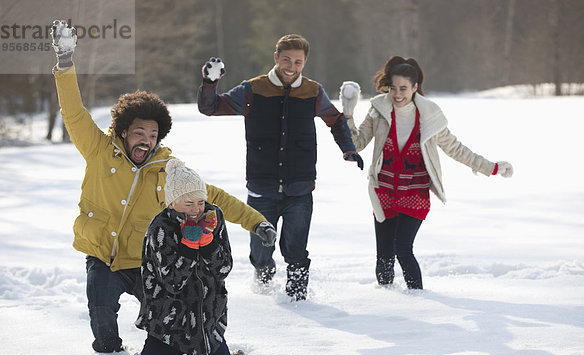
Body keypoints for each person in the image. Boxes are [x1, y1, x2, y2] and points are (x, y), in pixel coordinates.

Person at [49, 20, 277, 353]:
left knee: (167, 320)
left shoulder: (169, 170)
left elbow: (213, 197)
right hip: (102, 257)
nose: (146, 140)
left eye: (153, 135)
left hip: (146, 262)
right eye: (140, 132)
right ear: (124, 130)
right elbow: (73, 113)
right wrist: (65, 63)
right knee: (102, 326)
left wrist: (257, 222)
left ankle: (183, 350)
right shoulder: (99, 150)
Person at [197, 34, 364, 301]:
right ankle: (263, 286)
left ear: (304, 63)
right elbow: (211, 107)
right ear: (276, 58)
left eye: (298, 62)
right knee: (261, 253)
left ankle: (299, 300)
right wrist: (209, 82)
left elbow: (335, 120)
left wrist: (348, 149)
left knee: (296, 250)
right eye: (286, 59)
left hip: (300, 187)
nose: (291, 66)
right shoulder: (253, 89)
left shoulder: (312, 91)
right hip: (262, 188)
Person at [339, 56, 514, 290]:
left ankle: (418, 300)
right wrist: (348, 113)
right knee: (384, 255)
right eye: (393, 88)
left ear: (414, 87)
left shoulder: (429, 117)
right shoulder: (378, 110)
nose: (397, 94)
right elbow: (357, 143)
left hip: (415, 194)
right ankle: (383, 303)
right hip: (384, 192)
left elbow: (456, 149)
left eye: (403, 88)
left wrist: (490, 167)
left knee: (402, 248)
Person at [136, 159, 243, 355]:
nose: (196, 209)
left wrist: (209, 245)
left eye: (200, 202)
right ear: (171, 203)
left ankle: (225, 353)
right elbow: (172, 282)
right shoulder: (160, 227)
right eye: (188, 204)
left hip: (205, 326)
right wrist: (188, 248)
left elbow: (224, 269)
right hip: (166, 325)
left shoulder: (214, 217)